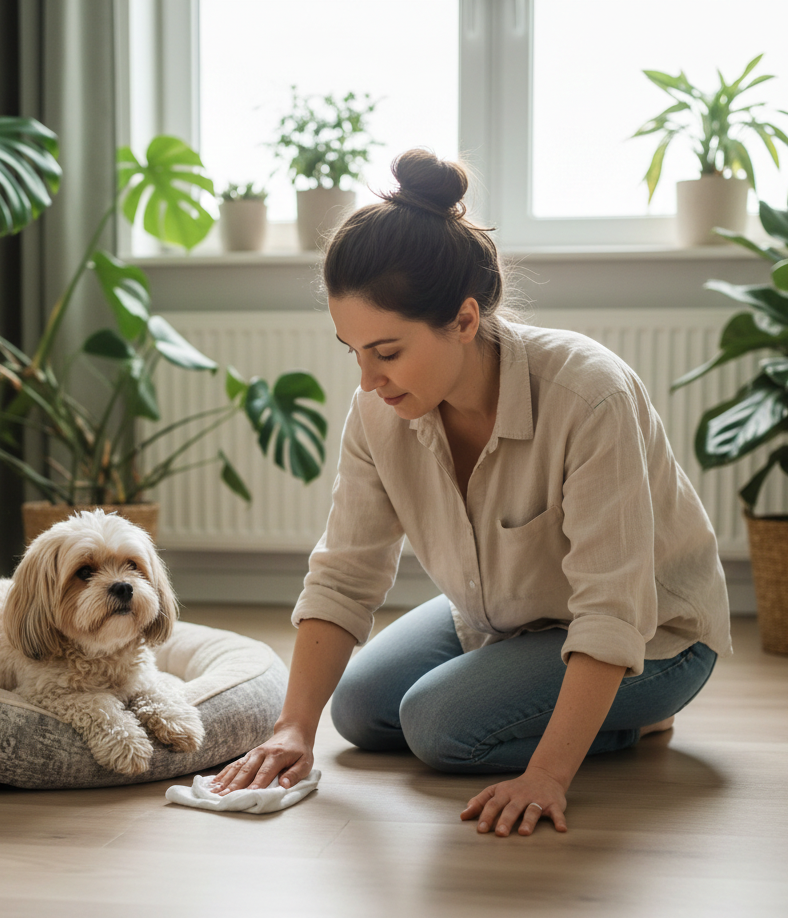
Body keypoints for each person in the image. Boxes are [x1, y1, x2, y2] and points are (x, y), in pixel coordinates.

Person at [210, 149, 732, 837]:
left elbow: (612, 609)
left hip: (653, 636)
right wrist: (291, 730)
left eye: (387, 351)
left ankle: (630, 720)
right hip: (505, 620)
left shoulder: (588, 394)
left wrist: (545, 775)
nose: (368, 380)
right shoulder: (379, 411)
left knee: (437, 728)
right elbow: (345, 572)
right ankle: (528, 691)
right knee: (358, 710)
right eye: (353, 351)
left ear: (462, 319)